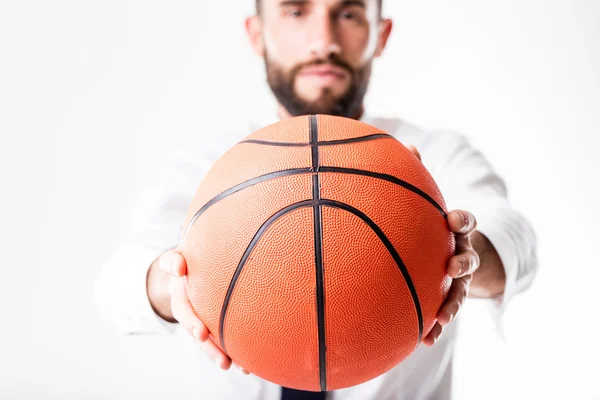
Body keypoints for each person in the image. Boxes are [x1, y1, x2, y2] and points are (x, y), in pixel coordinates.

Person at [94, 0, 538, 398]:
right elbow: (118, 285)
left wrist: (458, 252)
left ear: (380, 34)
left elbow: (514, 241)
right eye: (294, 11)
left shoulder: (434, 159)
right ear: (256, 33)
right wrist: (173, 280)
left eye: (348, 14)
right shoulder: (207, 169)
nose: (323, 41)